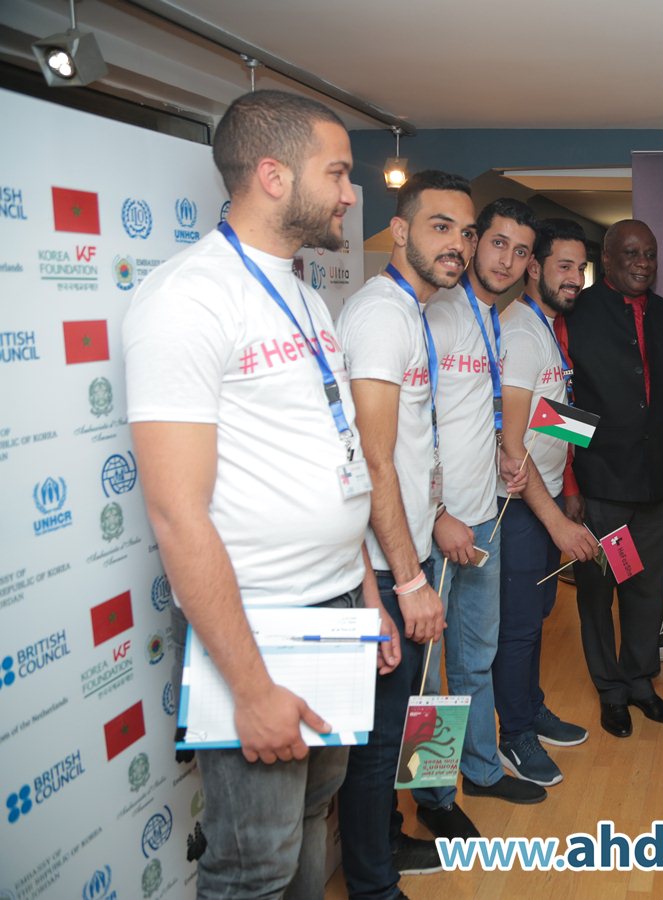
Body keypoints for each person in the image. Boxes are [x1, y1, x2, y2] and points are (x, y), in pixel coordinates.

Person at [125, 90, 397, 899]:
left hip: (334, 607)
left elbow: (334, 460)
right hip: (258, 624)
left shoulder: (304, 294)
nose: (350, 193)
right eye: (337, 173)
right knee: (253, 865)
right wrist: (249, 689)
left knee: (312, 814)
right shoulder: (187, 298)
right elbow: (177, 513)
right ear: (274, 176)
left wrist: (368, 598)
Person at [337, 169, 478, 891]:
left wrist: (438, 518)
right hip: (389, 567)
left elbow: (412, 449)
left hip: (421, 546)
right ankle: (373, 881)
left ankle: (393, 838)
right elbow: (374, 459)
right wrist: (410, 579)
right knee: (378, 739)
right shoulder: (381, 316)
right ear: (398, 231)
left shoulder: (415, 311)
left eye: (465, 232)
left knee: (413, 713)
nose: (459, 245)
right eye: (440, 227)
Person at [416, 198, 543, 839]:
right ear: (472, 243)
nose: (507, 260)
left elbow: (466, 416)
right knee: (432, 670)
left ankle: (483, 769)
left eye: (520, 251)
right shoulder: (436, 314)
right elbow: (407, 429)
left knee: (476, 657)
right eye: (496, 243)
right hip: (436, 527)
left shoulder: (492, 320)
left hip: (483, 515)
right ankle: (433, 797)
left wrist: (501, 455)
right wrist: (438, 513)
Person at [566, 219, 663, 738]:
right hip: (600, 487)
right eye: (632, 253)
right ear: (607, 257)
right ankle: (611, 692)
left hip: (661, 486)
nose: (643, 263)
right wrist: (571, 485)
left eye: (650, 254)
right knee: (598, 594)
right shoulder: (575, 314)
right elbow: (563, 406)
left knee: (648, 591)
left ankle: (641, 682)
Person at [492, 218, 600, 786]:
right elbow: (511, 445)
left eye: (579, 268)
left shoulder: (549, 328)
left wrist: (571, 484)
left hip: (549, 493)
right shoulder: (519, 331)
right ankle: (514, 735)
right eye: (563, 266)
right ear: (533, 268)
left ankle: (529, 707)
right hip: (518, 506)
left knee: (535, 618)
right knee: (517, 627)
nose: (574, 278)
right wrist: (556, 520)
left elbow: (550, 415)